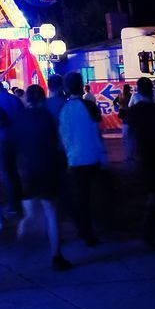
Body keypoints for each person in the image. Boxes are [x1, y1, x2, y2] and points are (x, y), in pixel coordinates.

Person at [14, 85, 71, 271]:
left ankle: (21, 240)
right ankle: (56, 255)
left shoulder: (20, 117)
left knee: (29, 213)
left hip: (28, 170)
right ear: (43, 99)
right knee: (51, 213)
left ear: (27, 99)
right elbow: (57, 144)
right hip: (46, 169)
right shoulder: (47, 118)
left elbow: (14, 145)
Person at [121, 77, 155, 247]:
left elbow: (128, 134)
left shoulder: (135, 110)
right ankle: (149, 232)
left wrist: (129, 156)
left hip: (144, 155)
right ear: (151, 89)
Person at [58, 72, 105, 247]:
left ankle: (85, 231)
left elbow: (65, 137)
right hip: (93, 156)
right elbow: (98, 132)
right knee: (93, 195)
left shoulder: (66, 110)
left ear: (66, 88)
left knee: (81, 197)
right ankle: (91, 230)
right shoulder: (90, 106)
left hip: (75, 159)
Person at [0, 79, 23, 214]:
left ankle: (13, 205)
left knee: (7, 172)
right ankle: (20, 200)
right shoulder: (15, 99)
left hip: (4, 138)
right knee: (16, 171)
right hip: (17, 137)